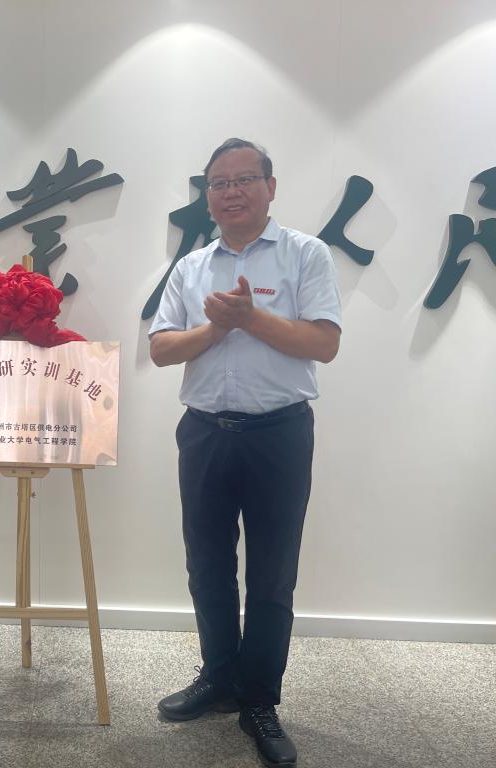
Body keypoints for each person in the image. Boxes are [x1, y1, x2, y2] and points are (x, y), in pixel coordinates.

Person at [149, 139, 341, 767]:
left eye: (244, 179)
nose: (231, 192)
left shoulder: (306, 254)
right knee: (206, 565)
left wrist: (250, 318)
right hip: (205, 432)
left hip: (279, 433)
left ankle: (259, 699)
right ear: (207, 195)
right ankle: (219, 677)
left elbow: (324, 343)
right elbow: (161, 349)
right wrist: (219, 327)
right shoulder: (191, 266)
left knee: (272, 574)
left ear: (270, 187)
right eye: (219, 183)